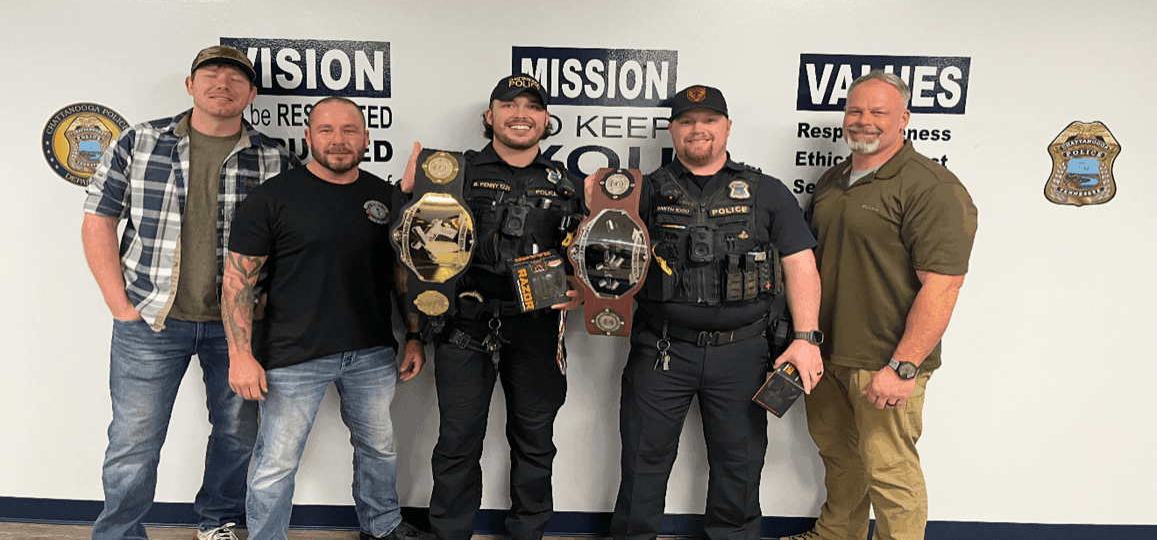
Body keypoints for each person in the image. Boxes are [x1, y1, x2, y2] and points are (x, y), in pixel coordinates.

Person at [81, 45, 297, 540]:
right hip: (150, 322)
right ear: (190, 85)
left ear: (252, 92)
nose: (222, 83)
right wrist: (121, 307)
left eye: (236, 76)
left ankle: (217, 522)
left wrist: (263, 306)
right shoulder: (140, 141)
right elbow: (98, 221)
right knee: (133, 443)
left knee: (238, 436)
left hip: (236, 331)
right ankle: (118, 534)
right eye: (211, 73)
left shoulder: (274, 158)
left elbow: (291, 243)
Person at [610, 85, 824, 540]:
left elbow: (800, 264)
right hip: (661, 350)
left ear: (727, 126)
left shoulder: (766, 191)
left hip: (743, 352)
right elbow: (602, 254)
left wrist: (806, 340)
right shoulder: (641, 192)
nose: (698, 130)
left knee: (740, 464)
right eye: (687, 121)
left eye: (709, 120)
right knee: (644, 461)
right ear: (671, 130)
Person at [221, 97, 431, 540]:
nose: (339, 141)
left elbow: (402, 273)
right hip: (293, 354)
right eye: (327, 130)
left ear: (366, 138)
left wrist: (414, 334)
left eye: (350, 130)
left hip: (372, 352)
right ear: (308, 137)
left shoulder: (385, 198)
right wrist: (240, 354)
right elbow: (238, 282)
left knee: (379, 449)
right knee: (276, 461)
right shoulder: (270, 199)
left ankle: (382, 527)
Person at [786, 71, 977, 540]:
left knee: (890, 473)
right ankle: (837, 535)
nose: (863, 121)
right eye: (855, 111)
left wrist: (905, 365)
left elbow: (944, 286)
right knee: (840, 459)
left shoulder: (932, 186)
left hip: (884, 362)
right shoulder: (833, 181)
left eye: (878, 112)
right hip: (827, 354)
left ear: (904, 119)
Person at [399, 74, 585, 540]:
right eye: (509, 104)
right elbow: (411, 249)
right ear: (490, 116)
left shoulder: (569, 184)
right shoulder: (451, 170)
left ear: (546, 120)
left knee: (535, 442)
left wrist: (582, 287)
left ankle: (528, 532)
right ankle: (449, 533)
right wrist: (406, 196)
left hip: (538, 329)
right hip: (465, 322)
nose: (520, 113)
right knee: (458, 443)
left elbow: (590, 254)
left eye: (532, 106)